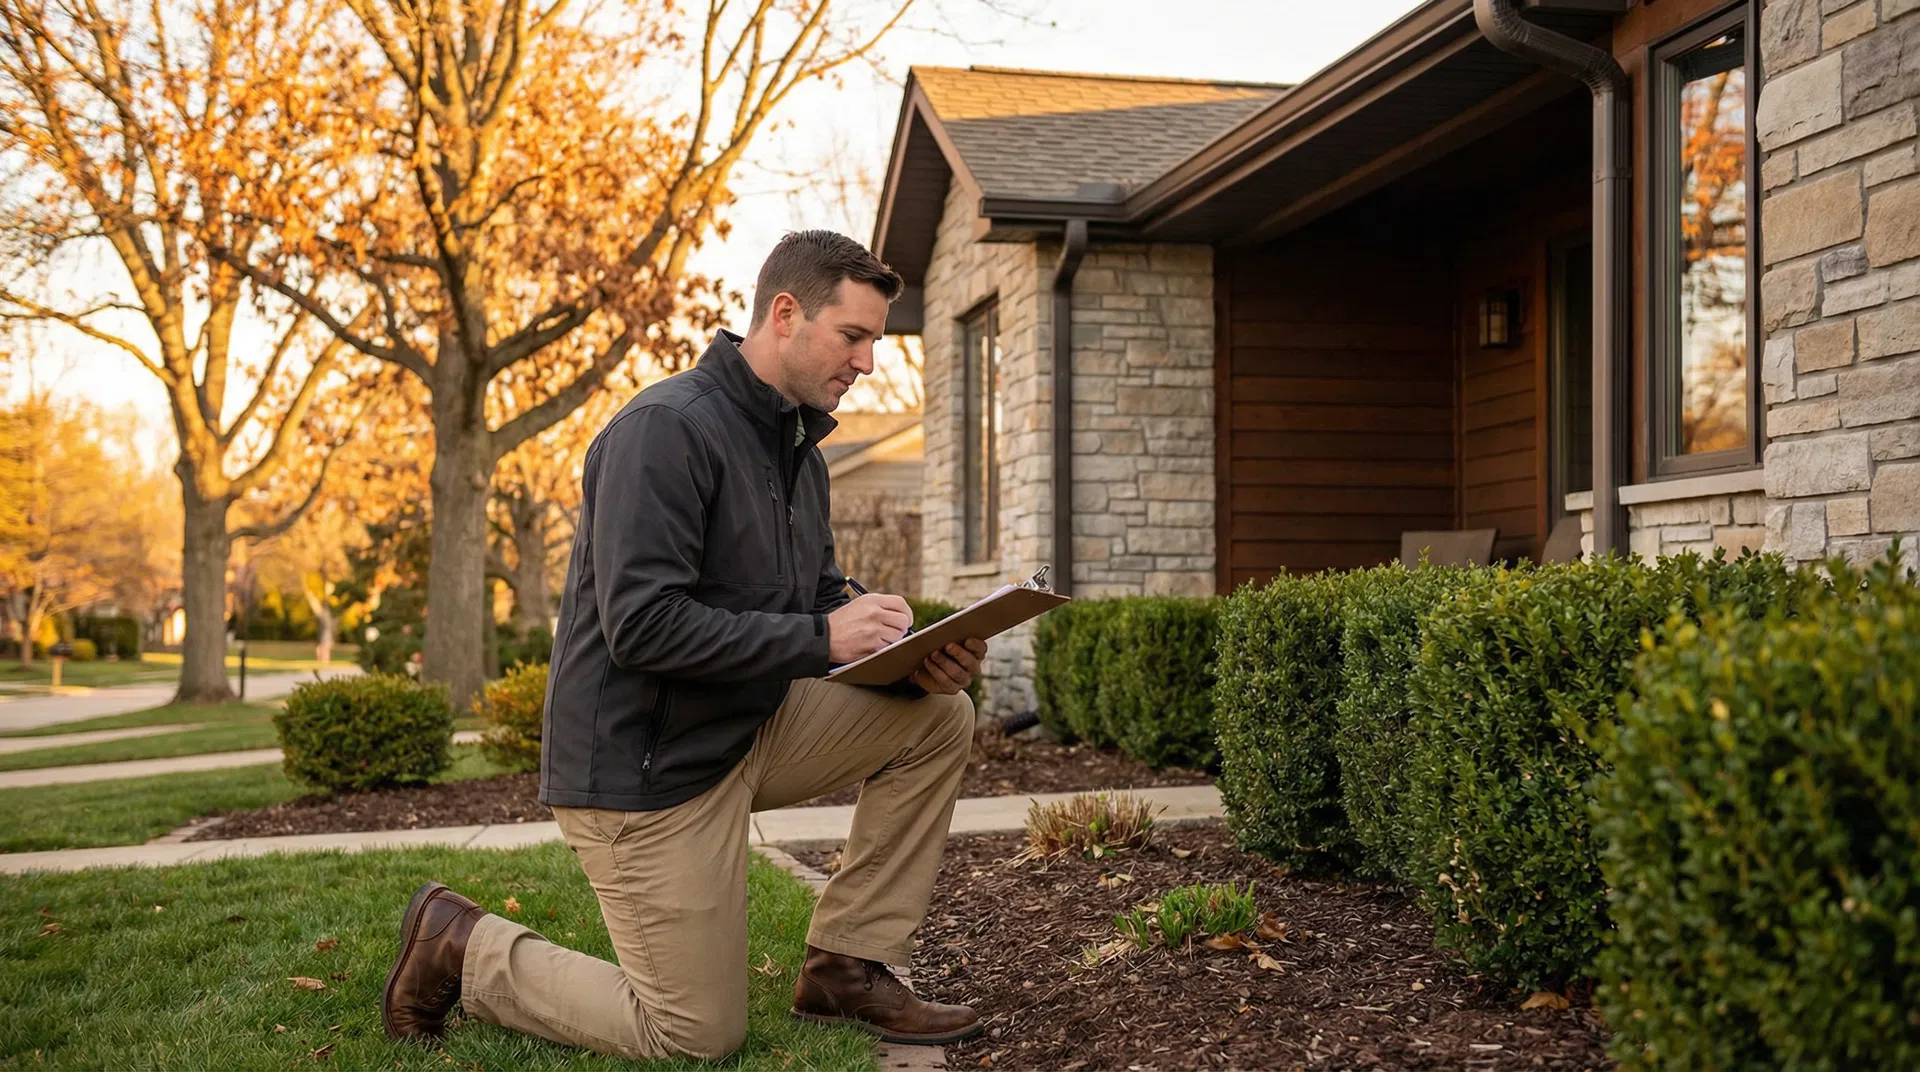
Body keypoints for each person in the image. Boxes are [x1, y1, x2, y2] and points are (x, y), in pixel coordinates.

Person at [379, 230, 990, 1060]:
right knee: (694, 1033)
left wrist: (907, 655)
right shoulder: (664, 431)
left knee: (938, 716)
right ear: (784, 314)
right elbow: (642, 628)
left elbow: (816, 598)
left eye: (876, 340)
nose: (869, 362)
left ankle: (846, 964)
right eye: (854, 336)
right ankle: (462, 946)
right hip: (645, 769)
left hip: (747, 729)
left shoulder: (801, 455)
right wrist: (823, 635)